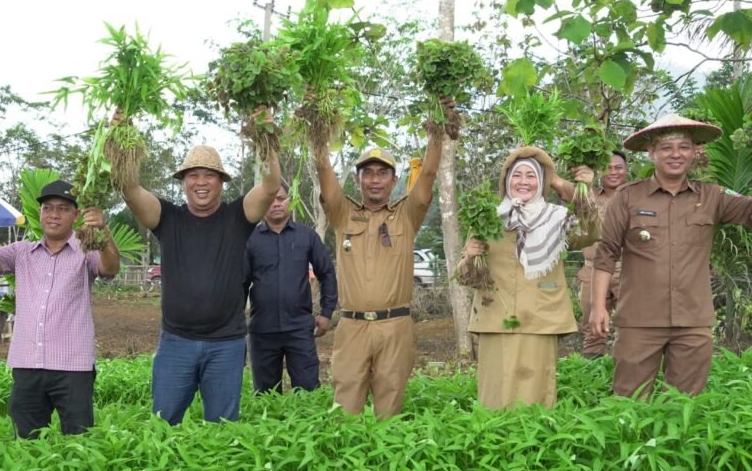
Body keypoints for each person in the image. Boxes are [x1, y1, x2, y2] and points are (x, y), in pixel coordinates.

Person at [590, 114, 752, 398]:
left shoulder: (712, 196)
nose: (676, 154)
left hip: (693, 322)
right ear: (652, 152)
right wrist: (598, 307)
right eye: (666, 147)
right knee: (629, 400)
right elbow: (606, 254)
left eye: (684, 147)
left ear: (695, 151)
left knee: (685, 403)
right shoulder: (627, 197)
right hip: (639, 319)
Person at [121, 142, 281, 424]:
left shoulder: (237, 217)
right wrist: (122, 141)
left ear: (221, 181)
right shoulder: (167, 218)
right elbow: (131, 190)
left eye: (209, 174)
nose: (201, 182)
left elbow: (270, 187)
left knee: (222, 430)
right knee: (163, 425)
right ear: (183, 182)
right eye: (193, 175)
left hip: (226, 344)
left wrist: (265, 139)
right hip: (175, 343)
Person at [0, 179, 120, 438]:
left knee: (79, 441)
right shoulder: (21, 252)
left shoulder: (85, 251)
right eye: (48, 208)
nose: (54, 214)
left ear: (76, 215)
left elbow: (110, 267)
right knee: (27, 441)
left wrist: (103, 230)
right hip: (27, 365)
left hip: (73, 367)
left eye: (63, 208)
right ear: (41, 213)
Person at [311, 130, 441, 417]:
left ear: (394, 180)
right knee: (344, 408)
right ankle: (345, 459)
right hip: (352, 327)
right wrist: (318, 126)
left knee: (390, 407)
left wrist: (439, 130)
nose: (374, 179)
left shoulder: (407, 214)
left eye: (382, 173)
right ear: (357, 180)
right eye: (367, 173)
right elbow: (323, 170)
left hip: (395, 326)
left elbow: (429, 173)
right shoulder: (342, 213)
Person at [461, 146, 599, 409]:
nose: (523, 182)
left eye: (532, 176)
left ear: (542, 182)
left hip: (540, 319)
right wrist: (468, 256)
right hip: (495, 320)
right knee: (494, 395)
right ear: (506, 181)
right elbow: (468, 277)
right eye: (517, 175)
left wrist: (582, 189)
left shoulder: (557, 218)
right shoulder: (486, 218)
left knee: (536, 394)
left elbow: (590, 233)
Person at [245, 183, 337, 393]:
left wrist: (326, 312)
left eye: (281, 198)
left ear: (290, 201)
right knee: (266, 395)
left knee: (307, 390)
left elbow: (327, 273)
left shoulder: (307, 237)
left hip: (299, 329)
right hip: (262, 330)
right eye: (270, 199)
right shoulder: (251, 239)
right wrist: (234, 322)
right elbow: (240, 282)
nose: (276, 204)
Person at [574, 151, 628, 358]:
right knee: (592, 327)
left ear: (626, 170)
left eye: (618, 167)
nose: (613, 172)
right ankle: (592, 374)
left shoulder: (637, 196)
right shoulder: (587, 194)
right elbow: (558, 184)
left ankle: (628, 371)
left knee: (633, 325)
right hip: (593, 270)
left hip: (629, 270)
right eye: (607, 167)